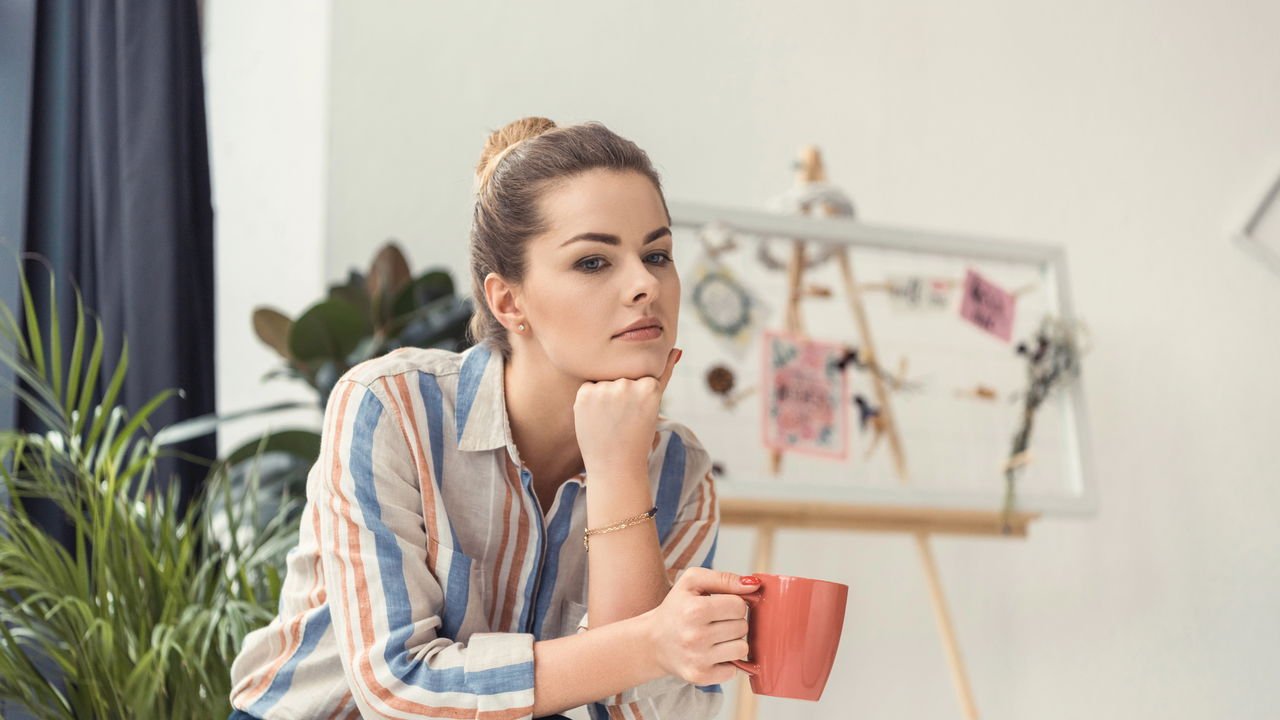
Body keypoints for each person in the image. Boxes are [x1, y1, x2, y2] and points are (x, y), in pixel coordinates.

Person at [227, 117, 759, 720]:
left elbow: (652, 709)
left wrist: (618, 471)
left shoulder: (678, 468)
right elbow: (398, 688)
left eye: (657, 255)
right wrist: (648, 645)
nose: (645, 284)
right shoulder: (391, 408)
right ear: (508, 301)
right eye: (593, 262)